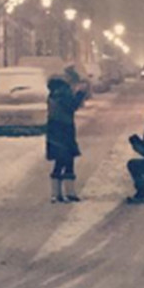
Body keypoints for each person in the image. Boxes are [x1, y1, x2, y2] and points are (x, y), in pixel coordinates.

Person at [46, 75, 86, 203]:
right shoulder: (62, 96)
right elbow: (72, 106)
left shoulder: (53, 96)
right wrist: (80, 93)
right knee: (66, 161)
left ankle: (57, 193)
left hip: (55, 132)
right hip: (64, 131)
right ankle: (68, 193)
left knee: (61, 161)